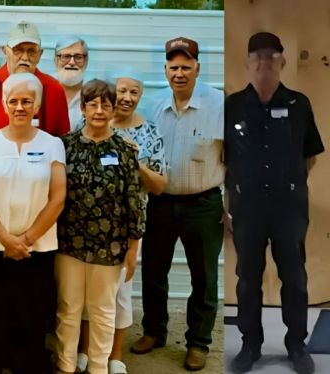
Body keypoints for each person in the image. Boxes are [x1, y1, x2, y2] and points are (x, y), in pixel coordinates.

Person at [226, 32, 324, 374]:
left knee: (294, 278)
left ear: (282, 62)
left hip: (288, 208)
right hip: (247, 208)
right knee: (247, 278)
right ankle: (250, 345)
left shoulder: (299, 104)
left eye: (271, 56)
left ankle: (296, 345)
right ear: (248, 63)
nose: (264, 63)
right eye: (257, 57)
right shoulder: (233, 106)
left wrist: (288, 185)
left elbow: (310, 156)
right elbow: (223, 158)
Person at [132, 37, 224, 371]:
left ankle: (198, 343)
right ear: (165, 70)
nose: (180, 73)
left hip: (204, 204)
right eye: (174, 67)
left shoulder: (218, 104)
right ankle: (153, 331)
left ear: (198, 68)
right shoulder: (155, 106)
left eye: (186, 66)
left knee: (204, 276)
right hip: (160, 202)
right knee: (154, 270)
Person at [0, 73, 66, 374]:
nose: (20, 106)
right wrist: (6, 240)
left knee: (31, 321)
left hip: (36, 251)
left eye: (27, 101)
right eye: (13, 101)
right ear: (4, 105)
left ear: (37, 106)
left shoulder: (53, 145)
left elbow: (58, 197)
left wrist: (26, 239)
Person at [55, 79, 145, 374]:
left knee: (103, 311)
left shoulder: (124, 150)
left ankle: (98, 367)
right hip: (70, 244)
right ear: (82, 108)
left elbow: (134, 200)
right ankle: (66, 365)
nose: (98, 110)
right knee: (69, 309)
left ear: (112, 108)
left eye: (105, 104)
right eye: (92, 104)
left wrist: (133, 248)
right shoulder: (65, 146)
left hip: (111, 247)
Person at [0, 20, 70, 137]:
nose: (25, 57)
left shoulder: (54, 89)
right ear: (5, 51)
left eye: (31, 51)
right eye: (18, 50)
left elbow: (63, 140)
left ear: (40, 54)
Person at [55, 35, 89, 132]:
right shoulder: (42, 89)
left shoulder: (94, 94)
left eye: (78, 57)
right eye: (66, 56)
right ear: (55, 60)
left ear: (86, 61)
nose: (72, 62)